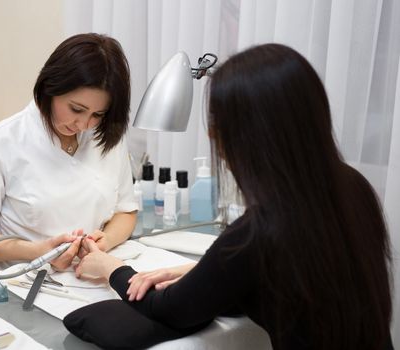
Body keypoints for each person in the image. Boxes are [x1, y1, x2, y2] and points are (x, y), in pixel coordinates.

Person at [68, 44, 394, 350]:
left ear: (243, 136)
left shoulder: (262, 229)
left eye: (216, 125)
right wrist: (194, 271)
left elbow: (172, 309)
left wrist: (110, 266)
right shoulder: (353, 187)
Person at [0, 33, 138, 271]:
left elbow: (126, 211)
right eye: (76, 109)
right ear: (51, 87)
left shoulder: (106, 136)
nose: (83, 124)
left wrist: (105, 242)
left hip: (93, 277)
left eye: (97, 114)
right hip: (24, 284)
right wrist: (37, 252)